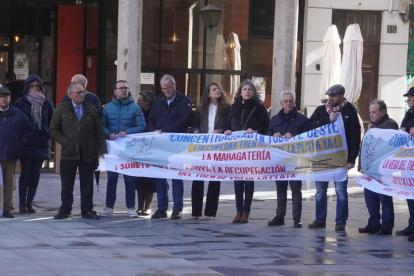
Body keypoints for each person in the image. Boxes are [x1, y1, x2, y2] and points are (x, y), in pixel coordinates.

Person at [306, 84, 361, 231]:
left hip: (341, 158)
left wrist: (351, 159)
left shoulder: (350, 110)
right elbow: (309, 128)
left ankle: (340, 221)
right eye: (329, 96)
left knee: (341, 191)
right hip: (322, 156)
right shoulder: (321, 110)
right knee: (320, 191)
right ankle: (320, 219)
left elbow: (355, 137)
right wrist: (327, 120)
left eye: (333, 96)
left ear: (342, 96)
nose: (330, 99)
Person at [50, 82, 107, 219]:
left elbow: (98, 131)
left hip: (88, 152)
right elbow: (53, 129)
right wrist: (66, 143)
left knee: (87, 183)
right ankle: (65, 209)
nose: (82, 94)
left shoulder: (91, 109)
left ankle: (87, 210)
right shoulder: (62, 109)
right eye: (79, 92)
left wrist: (102, 150)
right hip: (69, 153)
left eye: (83, 92)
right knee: (67, 184)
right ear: (70, 95)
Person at [223, 79, 270, 223]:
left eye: (250, 89)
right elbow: (227, 123)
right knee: (238, 181)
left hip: (251, 150)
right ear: (240, 92)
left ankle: (246, 212)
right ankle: (238, 211)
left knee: (248, 181)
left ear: (253, 92)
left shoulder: (259, 107)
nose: (247, 91)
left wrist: (255, 131)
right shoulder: (234, 107)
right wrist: (227, 131)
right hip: (237, 150)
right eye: (245, 89)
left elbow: (266, 127)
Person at [148, 75, 192, 220]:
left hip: (176, 144)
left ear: (175, 85)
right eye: (164, 88)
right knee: (160, 177)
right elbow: (151, 119)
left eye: (168, 88)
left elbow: (183, 120)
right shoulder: (158, 101)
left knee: (176, 177)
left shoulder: (184, 101)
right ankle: (162, 207)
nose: (166, 91)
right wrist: (154, 130)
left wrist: (165, 131)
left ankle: (177, 208)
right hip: (160, 144)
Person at [99, 80, 146, 218]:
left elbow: (142, 126)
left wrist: (127, 132)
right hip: (113, 149)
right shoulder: (107, 108)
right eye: (121, 88)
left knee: (130, 179)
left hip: (129, 149)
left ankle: (131, 207)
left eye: (125, 88)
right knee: (111, 179)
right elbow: (100, 125)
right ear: (115, 91)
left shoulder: (135, 108)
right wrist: (108, 133)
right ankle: (109, 207)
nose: (123, 90)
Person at [267, 91, 308, 228]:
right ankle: (280, 216)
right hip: (279, 160)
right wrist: (273, 134)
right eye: (286, 101)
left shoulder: (302, 120)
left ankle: (297, 218)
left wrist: (295, 135)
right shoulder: (274, 119)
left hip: (295, 159)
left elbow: (308, 137)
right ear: (281, 103)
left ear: (294, 102)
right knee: (280, 189)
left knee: (296, 190)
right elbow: (266, 135)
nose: (288, 103)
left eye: (291, 101)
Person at [14, 75, 55, 214]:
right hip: (26, 143)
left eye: (37, 86)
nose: (35, 88)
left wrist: (47, 133)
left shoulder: (47, 103)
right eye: (32, 86)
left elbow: (52, 122)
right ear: (27, 87)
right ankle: (22, 203)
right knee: (25, 173)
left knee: (36, 174)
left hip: (41, 143)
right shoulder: (21, 102)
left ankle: (29, 202)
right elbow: (17, 122)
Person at [358, 100, 398, 235]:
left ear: (383, 112)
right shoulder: (371, 126)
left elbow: (386, 145)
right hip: (369, 169)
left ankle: (387, 226)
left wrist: (373, 131)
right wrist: (361, 165)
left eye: (374, 112)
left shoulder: (390, 124)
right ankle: (373, 223)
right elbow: (364, 147)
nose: (371, 115)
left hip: (383, 170)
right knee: (370, 198)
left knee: (384, 198)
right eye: (370, 112)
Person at [191, 83, 230, 220]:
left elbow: (229, 125)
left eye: (218, 88)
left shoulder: (226, 108)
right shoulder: (201, 108)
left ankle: (210, 212)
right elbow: (194, 124)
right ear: (208, 93)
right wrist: (195, 131)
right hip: (202, 146)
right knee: (198, 178)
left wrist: (221, 131)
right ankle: (196, 211)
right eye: (214, 89)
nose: (217, 91)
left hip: (218, 147)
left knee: (214, 178)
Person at [0, 87, 32, 218]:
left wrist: (20, 143)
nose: (3, 99)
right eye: (1, 97)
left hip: (10, 154)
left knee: (8, 183)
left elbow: (28, 130)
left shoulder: (18, 114)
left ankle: (8, 208)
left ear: (10, 98)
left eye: (6, 97)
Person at [395, 87, 414, 241]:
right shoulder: (409, 113)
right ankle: (411, 225)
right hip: (408, 160)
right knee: (409, 194)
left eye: (410, 97)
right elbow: (403, 130)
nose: (408, 99)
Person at [135, 90, 157, 216]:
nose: (138, 103)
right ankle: (139, 205)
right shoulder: (138, 112)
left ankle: (147, 206)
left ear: (147, 102)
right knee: (139, 177)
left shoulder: (154, 113)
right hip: (139, 148)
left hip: (151, 147)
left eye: (140, 100)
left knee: (150, 178)